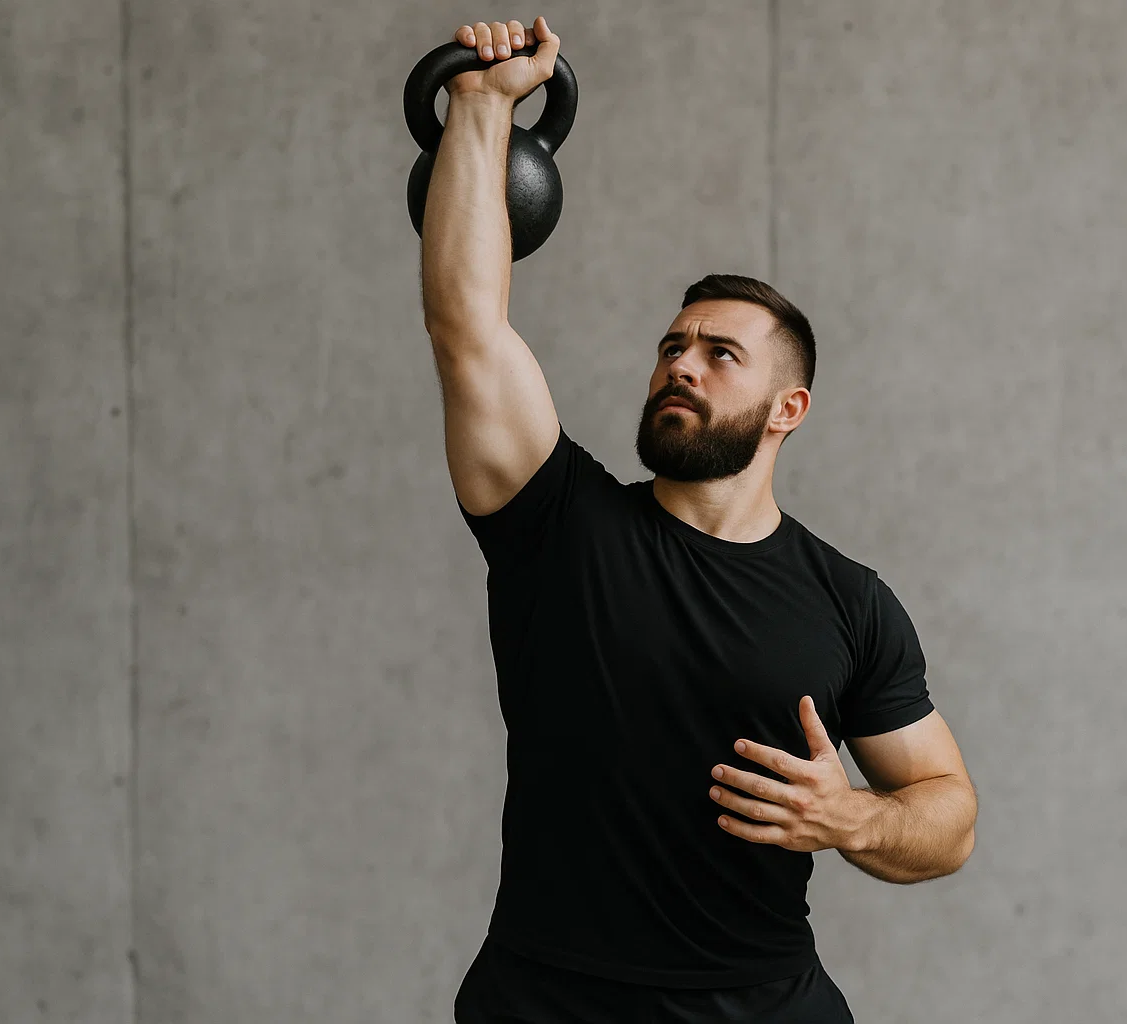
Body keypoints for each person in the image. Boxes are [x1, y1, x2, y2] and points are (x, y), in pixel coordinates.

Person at [423, 18, 978, 1023]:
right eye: (673, 344)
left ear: (787, 409)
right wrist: (479, 105)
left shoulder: (848, 603)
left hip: (765, 1006)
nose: (681, 361)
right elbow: (469, 324)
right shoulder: (560, 527)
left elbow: (948, 816)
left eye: (721, 354)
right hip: (549, 1003)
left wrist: (849, 813)